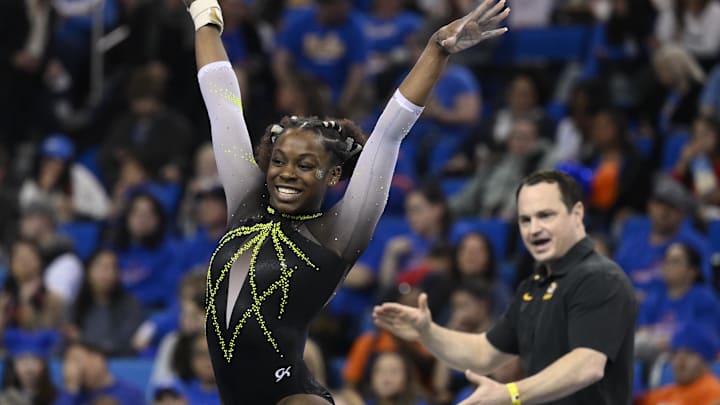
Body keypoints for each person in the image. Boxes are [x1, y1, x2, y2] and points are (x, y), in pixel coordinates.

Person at [183, 0, 510, 403]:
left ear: (333, 175)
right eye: (280, 160)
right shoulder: (247, 201)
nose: (287, 173)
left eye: (305, 165)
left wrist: (436, 51)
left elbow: (389, 133)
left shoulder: (336, 233)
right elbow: (221, 102)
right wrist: (204, 13)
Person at [373, 169, 638, 405]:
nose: (534, 229)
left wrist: (511, 394)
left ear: (577, 213)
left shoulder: (600, 278)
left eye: (546, 215)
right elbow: (482, 354)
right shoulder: (534, 286)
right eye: (525, 219)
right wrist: (428, 333)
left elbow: (587, 365)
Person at [637, 324, 720, 405]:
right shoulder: (664, 393)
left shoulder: (714, 393)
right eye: (675, 353)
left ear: (706, 361)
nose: (680, 360)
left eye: (689, 353)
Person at [53, 341, 146, 405]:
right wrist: (70, 388)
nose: (72, 368)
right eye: (67, 363)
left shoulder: (130, 394)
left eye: (76, 360)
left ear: (98, 359)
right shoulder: (71, 395)